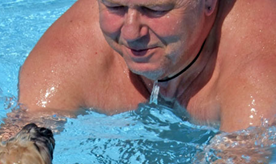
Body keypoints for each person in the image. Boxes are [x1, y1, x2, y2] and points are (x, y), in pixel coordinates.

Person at [19, 0, 276, 133]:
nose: (131, 33)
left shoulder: (256, 73)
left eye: (154, 9)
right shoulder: (70, 54)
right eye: (115, 6)